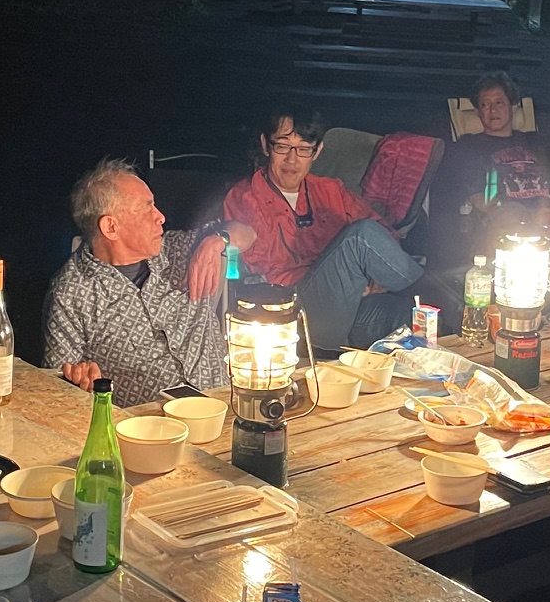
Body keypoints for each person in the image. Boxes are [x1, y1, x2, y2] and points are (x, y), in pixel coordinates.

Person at [45, 157, 254, 407]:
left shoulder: (178, 250)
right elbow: (56, 387)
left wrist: (217, 241)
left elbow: (248, 233)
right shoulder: (72, 292)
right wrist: (81, 381)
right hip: (150, 424)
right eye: (147, 209)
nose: (161, 217)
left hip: (222, 406)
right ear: (111, 227)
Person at [222, 108, 424, 351]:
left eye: (303, 149)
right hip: (293, 314)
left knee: (418, 316)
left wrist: (375, 281)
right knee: (359, 238)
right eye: (283, 146)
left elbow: (383, 233)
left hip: (346, 309)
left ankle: (438, 303)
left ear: (317, 151)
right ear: (266, 145)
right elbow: (257, 269)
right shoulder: (245, 197)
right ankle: (432, 287)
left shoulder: (330, 190)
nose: (292, 159)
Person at [430, 72, 550, 288]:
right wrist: (534, 216)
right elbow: (481, 201)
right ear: (477, 112)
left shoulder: (534, 142)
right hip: (508, 218)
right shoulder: (468, 147)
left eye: (499, 103)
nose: (492, 110)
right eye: (485, 104)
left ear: (513, 107)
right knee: (512, 212)